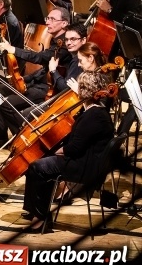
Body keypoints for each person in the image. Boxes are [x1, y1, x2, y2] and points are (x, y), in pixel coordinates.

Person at [21, 70, 115, 232]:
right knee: (38, 164)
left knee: (38, 167)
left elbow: (73, 149)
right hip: (86, 162)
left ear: (84, 91)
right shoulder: (95, 111)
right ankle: (35, 211)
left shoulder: (94, 116)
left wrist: (56, 151)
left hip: (83, 167)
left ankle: (40, 219)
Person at [0, 8, 76, 146]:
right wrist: (24, 79)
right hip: (41, 83)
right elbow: (44, 70)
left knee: (6, 104)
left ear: (64, 24)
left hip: (48, 89)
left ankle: (24, 139)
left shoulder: (66, 45)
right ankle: (2, 136)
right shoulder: (56, 42)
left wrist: (13, 49)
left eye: (53, 19)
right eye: (48, 18)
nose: (48, 22)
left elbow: (41, 58)